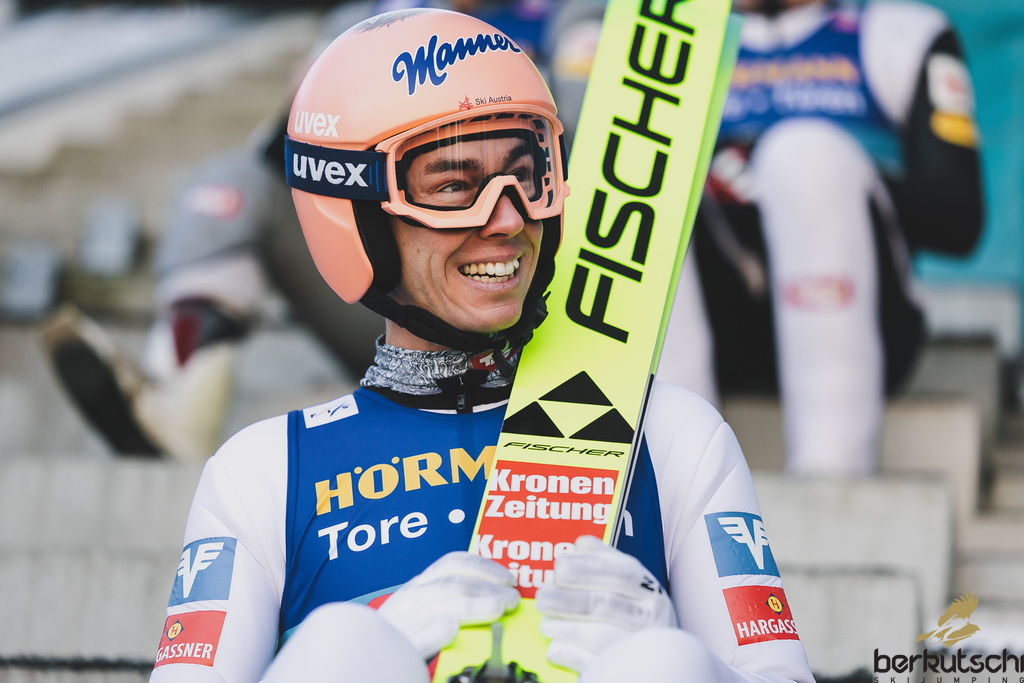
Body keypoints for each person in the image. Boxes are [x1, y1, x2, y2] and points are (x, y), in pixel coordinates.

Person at [149, 8, 814, 683]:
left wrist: (689, 663)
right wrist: (370, 638)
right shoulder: (265, 471)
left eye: (526, 176)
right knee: (343, 644)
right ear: (357, 215)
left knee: (663, 662)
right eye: (454, 187)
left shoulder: (672, 433)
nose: (507, 219)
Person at [42, 0, 560, 462]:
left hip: (557, 297)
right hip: (404, 294)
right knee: (232, 185)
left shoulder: (574, 15)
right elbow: (287, 151)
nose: (504, 216)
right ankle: (181, 401)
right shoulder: (363, 25)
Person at [656, 0, 984, 475]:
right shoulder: (664, 40)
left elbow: (958, 218)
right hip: (722, 327)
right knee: (646, 170)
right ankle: (677, 475)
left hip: (866, 321)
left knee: (804, 156)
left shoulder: (897, 33)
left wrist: (786, 170)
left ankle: (830, 477)